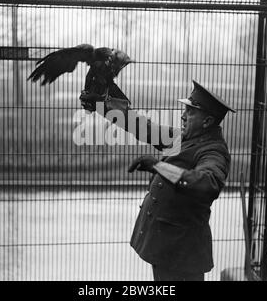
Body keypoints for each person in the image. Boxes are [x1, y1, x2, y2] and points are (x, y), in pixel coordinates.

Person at [80, 80, 236, 281]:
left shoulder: (213, 151)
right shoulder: (186, 138)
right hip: (169, 249)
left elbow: (207, 184)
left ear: (207, 122)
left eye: (190, 112)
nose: (183, 115)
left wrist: (159, 166)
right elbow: (143, 127)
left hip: (182, 256)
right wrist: (103, 107)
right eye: (185, 109)